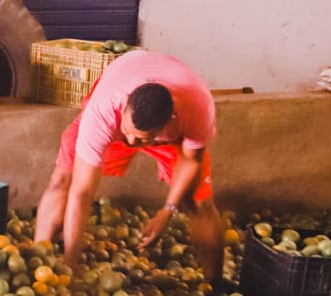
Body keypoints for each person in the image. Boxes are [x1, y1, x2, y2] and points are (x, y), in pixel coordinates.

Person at [34, 50, 226, 281]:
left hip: (164, 128)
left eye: (141, 139)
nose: (132, 143)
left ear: (170, 120)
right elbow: (82, 191)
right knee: (63, 178)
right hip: (116, 108)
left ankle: (214, 284)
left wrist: (168, 211)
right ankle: (38, 261)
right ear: (124, 105)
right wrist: (71, 261)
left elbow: (191, 160)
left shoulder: (196, 107)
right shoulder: (104, 111)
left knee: (199, 203)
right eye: (129, 134)